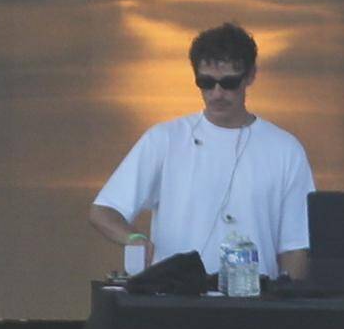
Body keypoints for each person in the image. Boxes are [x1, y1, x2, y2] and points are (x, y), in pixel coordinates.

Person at [87, 23, 312, 286]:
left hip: (254, 305)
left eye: (229, 83)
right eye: (206, 83)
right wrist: (134, 239)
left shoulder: (286, 150)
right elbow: (103, 210)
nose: (217, 94)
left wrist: (287, 305)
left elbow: (296, 245)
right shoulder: (165, 139)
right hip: (176, 301)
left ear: (250, 76)